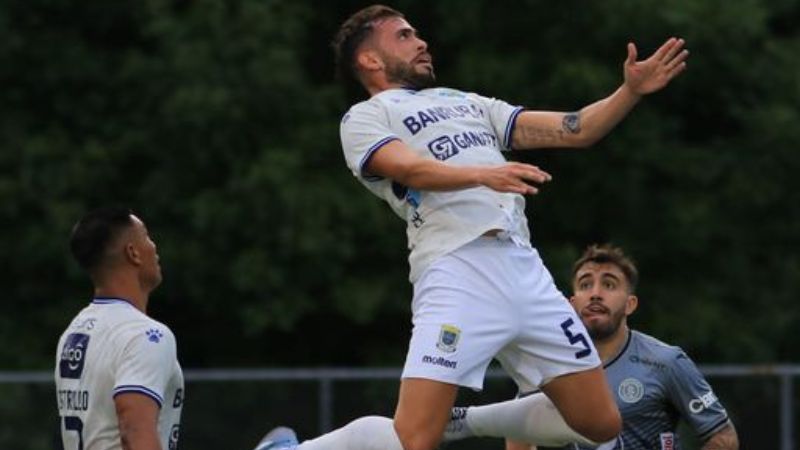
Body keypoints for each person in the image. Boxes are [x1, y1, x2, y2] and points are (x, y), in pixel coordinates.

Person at [257, 4, 689, 450]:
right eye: (404, 36)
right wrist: (484, 174)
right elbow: (410, 168)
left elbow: (574, 129)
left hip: (523, 269)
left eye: (417, 33)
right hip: (455, 272)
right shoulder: (365, 118)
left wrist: (629, 90)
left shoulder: (465, 101)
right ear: (369, 60)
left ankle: (465, 420)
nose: (421, 41)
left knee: (599, 423)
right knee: (414, 441)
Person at [446, 244, 739, 450]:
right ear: (571, 304)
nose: (596, 294)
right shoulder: (548, 368)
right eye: (586, 285)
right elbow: (518, 439)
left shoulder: (666, 361)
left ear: (630, 304)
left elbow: (722, 435)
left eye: (609, 285)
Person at [55, 206, 184, 450]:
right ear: (133, 253)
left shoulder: (74, 333)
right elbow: (134, 431)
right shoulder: (147, 335)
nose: (154, 246)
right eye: (146, 236)